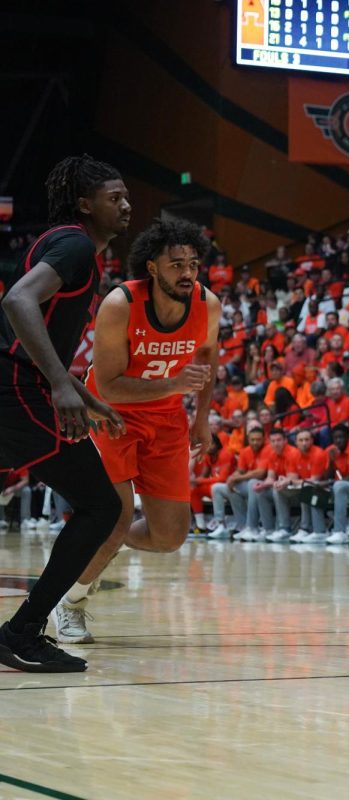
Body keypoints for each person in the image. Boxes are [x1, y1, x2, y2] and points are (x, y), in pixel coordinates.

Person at [53, 218, 220, 644]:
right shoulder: (120, 304)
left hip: (166, 420)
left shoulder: (208, 304)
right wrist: (176, 385)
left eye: (193, 264)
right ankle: (68, 603)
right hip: (110, 414)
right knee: (117, 513)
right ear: (152, 267)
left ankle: (101, 539)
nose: (186, 273)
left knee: (169, 536)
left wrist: (201, 417)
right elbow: (108, 385)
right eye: (176, 264)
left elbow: (208, 358)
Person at [0, 155, 129, 672]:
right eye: (113, 197)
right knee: (102, 505)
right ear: (84, 204)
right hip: (16, 389)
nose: (126, 205)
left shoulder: (64, 244)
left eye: (126, 196)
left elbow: (29, 332)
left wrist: (82, 391)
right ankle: (23, 632)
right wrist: (58, 383)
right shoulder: (75, 245)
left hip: (17, 383)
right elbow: (17, 302)